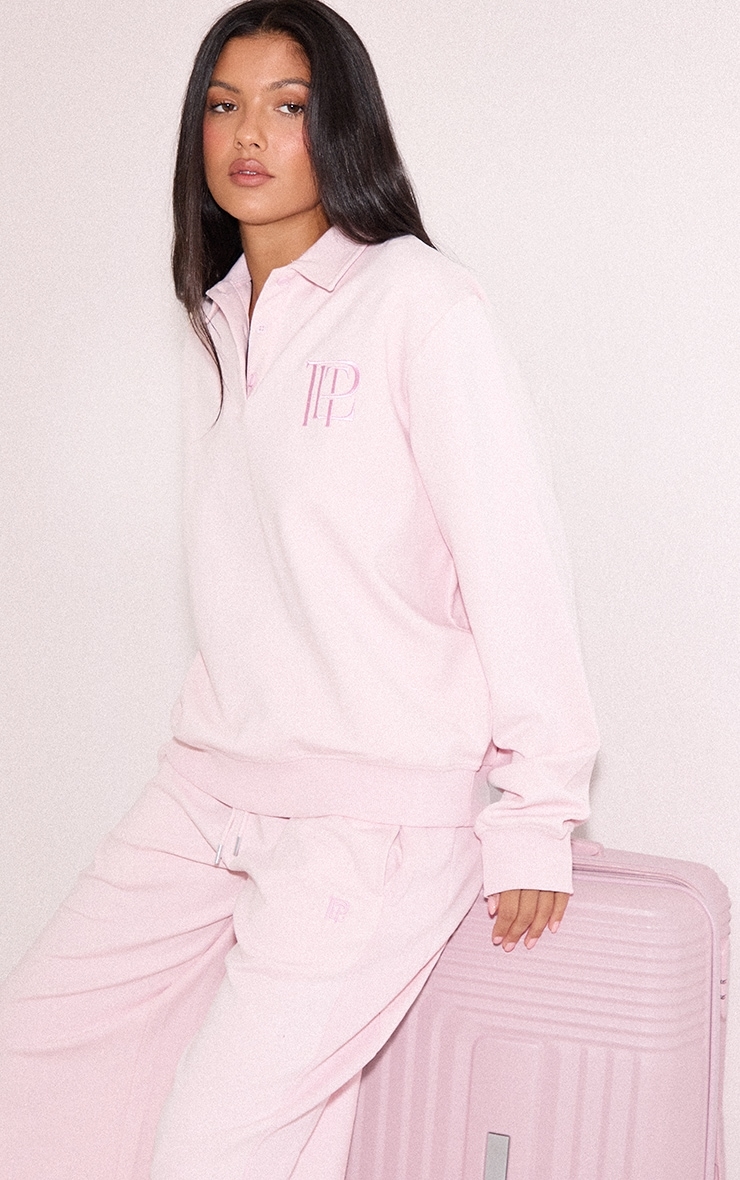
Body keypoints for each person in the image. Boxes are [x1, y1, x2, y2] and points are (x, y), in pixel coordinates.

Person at [0, 1, 599, 1177]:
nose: (248, 135)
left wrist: (537, 812)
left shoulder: (419, 304)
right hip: (209, 785)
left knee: (213, 1150)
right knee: (35, 1054)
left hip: (369, 819)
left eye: (288, 106)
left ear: (343, 130)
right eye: (224, 105)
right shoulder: (222, 315)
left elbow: (514, 556)